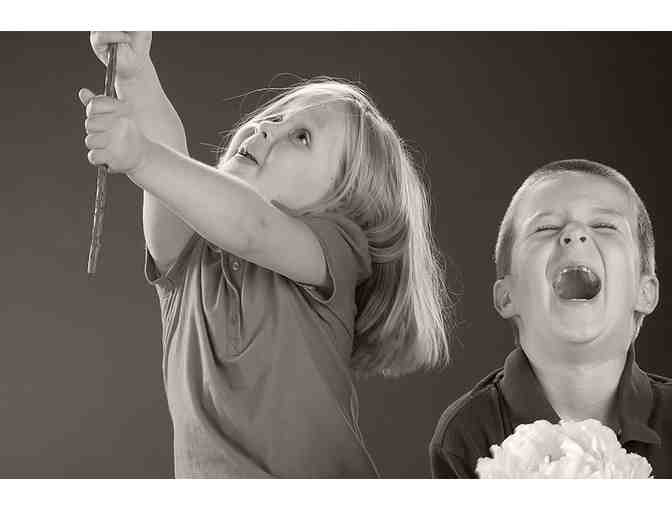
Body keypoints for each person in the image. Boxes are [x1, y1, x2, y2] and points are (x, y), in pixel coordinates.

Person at [79, 32, 453, 477]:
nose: (266, 128)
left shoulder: (336, 247)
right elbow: (169, 149)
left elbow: (251, 226)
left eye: (301, 137)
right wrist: (135, 72)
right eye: (274, 117)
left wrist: (140, 157)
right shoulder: (188, 255)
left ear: (341, 204)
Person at [429, 159, 672, 478]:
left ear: (645, 292)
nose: (575, 234)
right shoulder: (466, 434)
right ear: (507, 296)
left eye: (604, 225)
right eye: (545, 228)